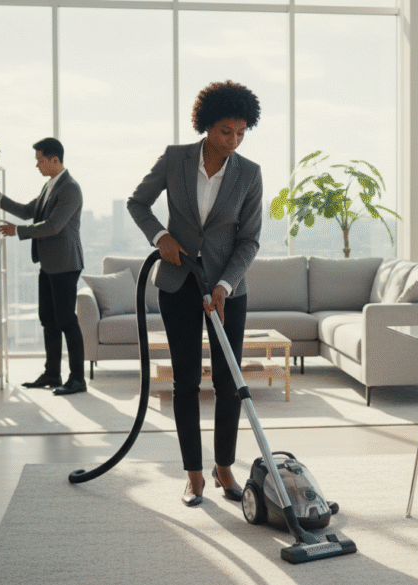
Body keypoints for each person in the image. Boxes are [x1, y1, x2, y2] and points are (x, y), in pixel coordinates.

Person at [127, 80, 262, 507]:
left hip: (227, 292)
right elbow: (138, 203)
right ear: (206, 125)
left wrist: (224, 286)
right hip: (178, 283)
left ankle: (225, 468)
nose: (233, 141)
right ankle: (194, 475)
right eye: (225, 131)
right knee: (185, 382)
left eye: (241, 132)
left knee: (228, 382)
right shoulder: (175, 159)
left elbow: (250, 241)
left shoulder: (250, 173)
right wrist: (161, 237)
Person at [0, 138, 87, 396]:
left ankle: (77, 379)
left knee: (66, 321)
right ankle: (52, 374)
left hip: (65, 264)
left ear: (55, 159)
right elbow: (28, 210)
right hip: (49, 264)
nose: (38, 165)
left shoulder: (70, 188)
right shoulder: (49, 186)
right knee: (48, 320)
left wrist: (18, 231)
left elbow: (53, 225)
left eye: (41, 160)